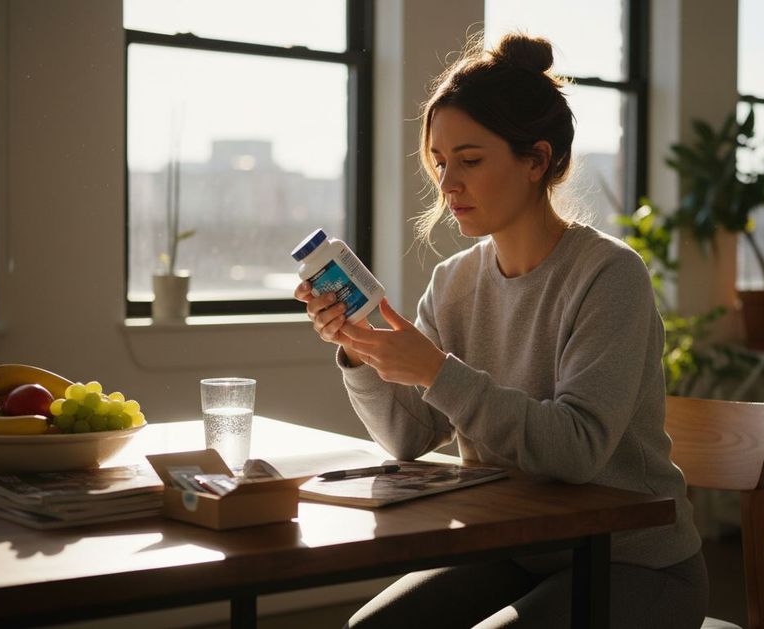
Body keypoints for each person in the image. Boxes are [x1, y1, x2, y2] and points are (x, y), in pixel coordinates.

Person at [295, 32, 707, 629]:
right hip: (520, 552)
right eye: (440, 162)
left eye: (470, 159)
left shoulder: (610, 275)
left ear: (537, 160)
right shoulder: (455, 280)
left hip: (636, 564)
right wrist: (358, 347)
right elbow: (409, 437)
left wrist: (435, 370)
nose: (447, 183)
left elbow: (578, 448)